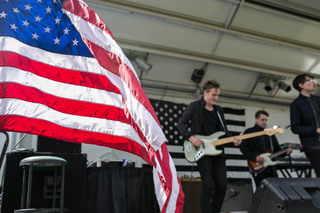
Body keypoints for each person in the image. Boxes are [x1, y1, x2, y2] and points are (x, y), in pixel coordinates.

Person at [177, 80, 242, 213]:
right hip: (202, 151)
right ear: (205, 92)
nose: (216, 98)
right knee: (208, 185)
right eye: (213, 95)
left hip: (218, 153)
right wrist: (191, 138)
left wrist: (233, 140)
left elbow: (224, 133)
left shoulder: (219, 110)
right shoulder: (194, 106)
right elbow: (181, 125)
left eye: (218, 95)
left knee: (222, 185)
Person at [239, 110, 292, 187]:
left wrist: (286, 152)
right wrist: (254, 157)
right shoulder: (249, 131)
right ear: (256, 119)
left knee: (275, 189)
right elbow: (243, 148)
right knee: (261, 190)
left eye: (266, 120)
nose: (265, 122)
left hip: (271, 167)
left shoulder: (270, 133)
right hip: (257, 166)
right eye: (262, 120)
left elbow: (277, 150)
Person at [290, 73, 320, 177]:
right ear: (301, 85)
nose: (313, 82)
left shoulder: (317, 99)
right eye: (310, 80)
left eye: (313, 80)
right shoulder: (296, 104)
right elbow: (295, 128)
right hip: (312, 145)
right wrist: (315, 130)